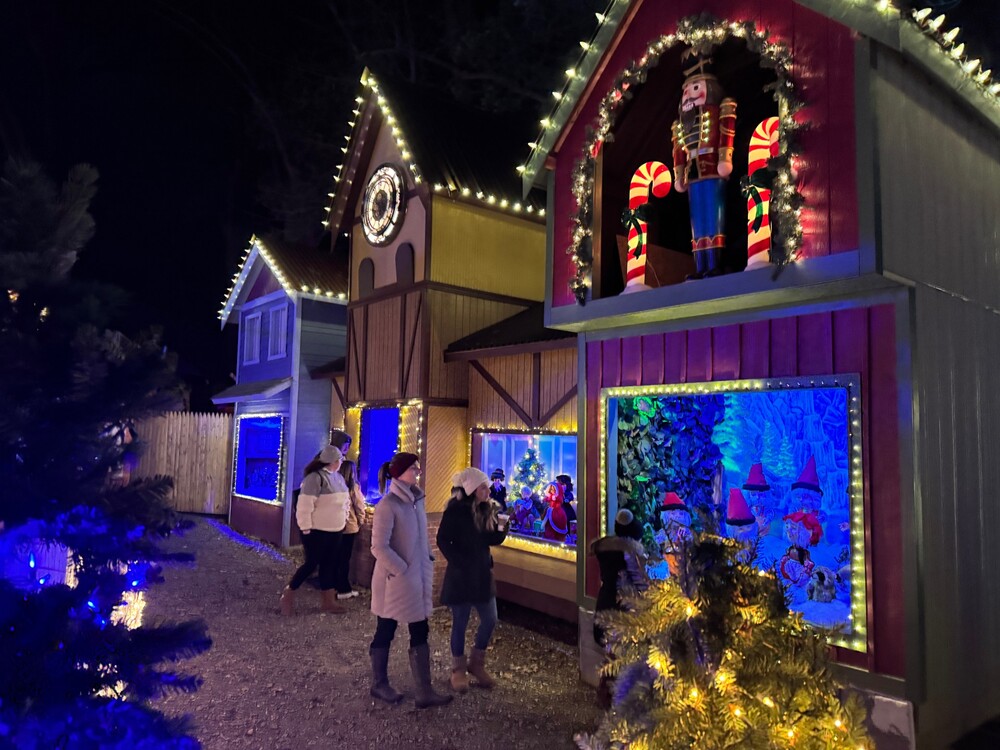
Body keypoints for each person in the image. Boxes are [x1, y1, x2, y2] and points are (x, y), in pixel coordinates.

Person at [368, 452, 452, 708]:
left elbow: (418, 538)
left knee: (420, 628)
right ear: (400, 473)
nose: (418, 472)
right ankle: (379, 683)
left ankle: (424, 691)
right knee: (386, 628)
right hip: (394, 582)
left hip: (415, 579)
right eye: (413, 468)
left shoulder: (416, 501)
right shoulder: (388, 505)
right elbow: (378, 546)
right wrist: (401, 569)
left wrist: (425, 558)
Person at [436, 467, 508, 693]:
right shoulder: (455, 511)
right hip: (461, 575)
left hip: (482, 573)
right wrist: (457, 560)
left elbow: (491, 539)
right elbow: (442, 539)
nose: (488, 491)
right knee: (460, 621)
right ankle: (458, 669)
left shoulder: (487, 510)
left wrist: (502, 527)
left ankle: (477, 663)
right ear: (472, 489)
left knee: (490, 618)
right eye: (484, 487)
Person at [280, 445, 350, 616]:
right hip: (317, 532)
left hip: (335, 531)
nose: (341, 462)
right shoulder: (314, 478)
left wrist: (344, 518)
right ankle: (289, 593)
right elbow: (305, 505)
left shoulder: (338, 478)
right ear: (333, 461)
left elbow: (345, 502)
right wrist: (305, 527)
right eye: (340, 459)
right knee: (311, 564)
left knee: (329, 564)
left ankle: (328, 602)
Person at [591, 508, 649, 707]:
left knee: (611, 652)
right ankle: (613, 697)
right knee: (619, 654)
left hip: (605, 600)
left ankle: (606, 694)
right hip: (622, 605)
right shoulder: (631, 552)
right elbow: (639, 580)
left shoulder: (604, 548)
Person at [334, 459, 368, 599]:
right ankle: (344, 589)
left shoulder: (335, 486)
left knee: (336, 557)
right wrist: (360, 521)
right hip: (349, 527)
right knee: (345, 559)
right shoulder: (353, 487)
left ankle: (334, 585)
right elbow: (360, 506)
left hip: (335, 527)